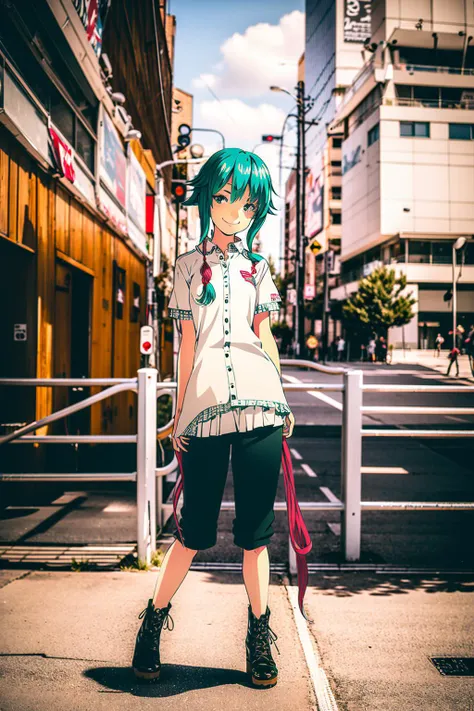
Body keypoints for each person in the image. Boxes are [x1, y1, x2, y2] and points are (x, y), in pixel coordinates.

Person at [132, 149, 310, 689]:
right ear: (209, 197)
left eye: (248, 201)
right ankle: (152, 622)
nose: (234, 211)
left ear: (258, 209)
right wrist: (177, 415)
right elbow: (186, 345)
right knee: (193, 531)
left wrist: (284, 400)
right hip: (204, 412)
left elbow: (266, 336)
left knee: (256, 536)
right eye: (226, 197)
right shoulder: (186, 268)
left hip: (260, 406)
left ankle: (259, 636)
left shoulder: (260, 268)